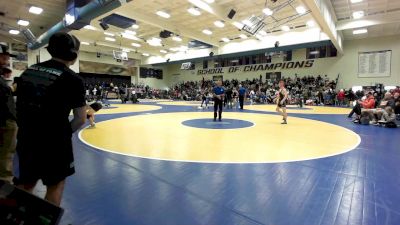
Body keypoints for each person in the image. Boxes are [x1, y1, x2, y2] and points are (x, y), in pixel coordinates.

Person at [14, 32, 87, 206]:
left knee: (26, 183)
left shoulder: (28, 71)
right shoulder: (73, 79)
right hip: (55, 144)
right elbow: (81, 118)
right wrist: (62, 134)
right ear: (74, 54)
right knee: (55, 186)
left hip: (26, 139)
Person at [0, 44, 17, 182]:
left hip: (5, 118)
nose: (7, 59)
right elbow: (3, 93)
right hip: (5, 119)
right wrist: (12, 88)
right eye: (3, 56)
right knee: (6, 152)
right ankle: (5, 184)